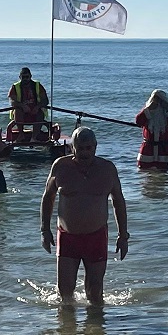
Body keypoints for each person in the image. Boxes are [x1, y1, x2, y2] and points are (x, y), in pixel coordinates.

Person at [40, 127, 128, 305]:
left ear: (95, 146)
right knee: (64, 294)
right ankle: (67, 331)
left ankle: (95, 331)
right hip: (67, 237)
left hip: (96, 237)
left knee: (95, 294)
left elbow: (118, 201)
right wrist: (45, 230)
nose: (84, 153)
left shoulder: (107, 169)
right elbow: (48, 197)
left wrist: (123, 235)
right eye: (80, 148)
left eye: (88, 148)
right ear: (72, 147)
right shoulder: (60, 166)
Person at [135, 89, 168, 171]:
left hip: (163, 149)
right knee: (144, 171)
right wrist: (149, 108)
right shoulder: (147, 112)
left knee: (162, 173)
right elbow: (139, 121)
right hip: (148, 148)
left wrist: (166, 106)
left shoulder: (167, 115)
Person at [8, 67, 50, 142]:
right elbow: (12, 101)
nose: (25, 79)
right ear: (19, 77)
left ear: (30, 76)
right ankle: (21, 135)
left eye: (27, 77)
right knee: (17, 111)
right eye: (23, 77)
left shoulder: (37, 85)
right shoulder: (15, 87)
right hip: (21, 113)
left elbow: (45, 100)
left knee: (40, 113)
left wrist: (37, 107)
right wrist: (22, 106)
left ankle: (34, 138)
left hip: (35, 112)